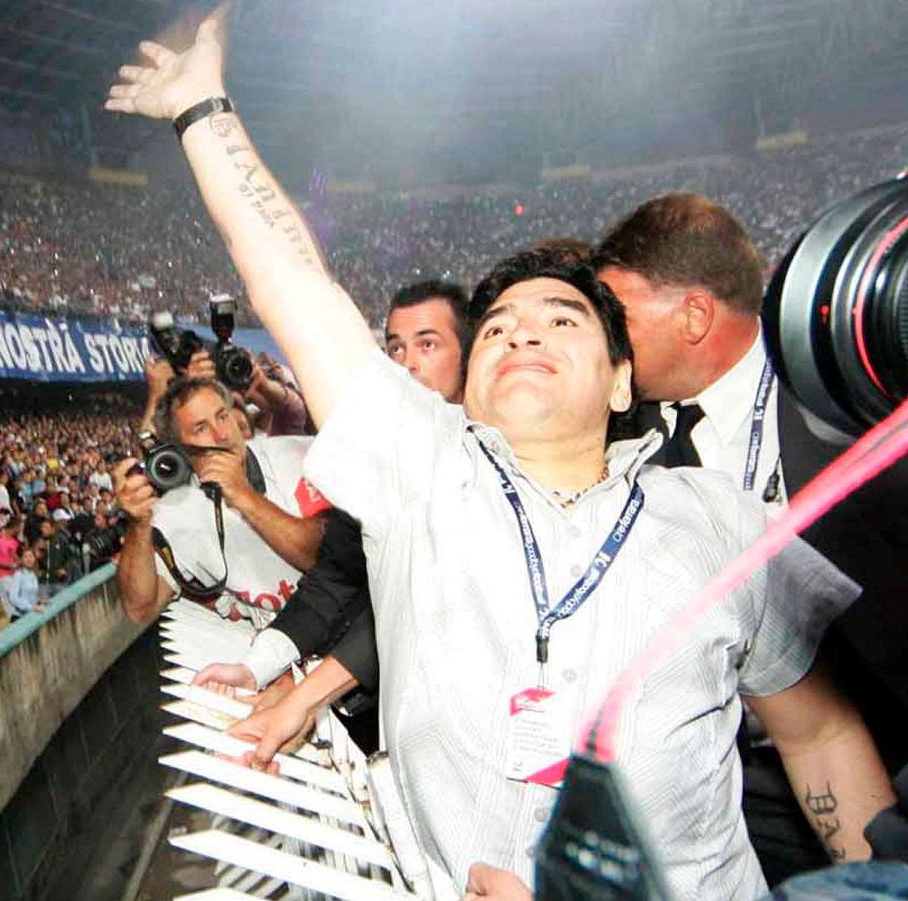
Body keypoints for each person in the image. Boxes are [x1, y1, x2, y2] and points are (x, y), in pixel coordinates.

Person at [105, 17, 891, 898]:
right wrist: (203, 110)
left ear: (623, 380)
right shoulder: (425, 478)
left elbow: (818, 733)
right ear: (470, 389)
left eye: (564, 320)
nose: (525, 331)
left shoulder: (721, 520)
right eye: (502, 329)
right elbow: (295, 285)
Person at [595, 193, 908, 884]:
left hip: (877, 755)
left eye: (617, 316)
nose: (604, 341)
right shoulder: (618, 427)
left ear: (695, 316)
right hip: (726, 785)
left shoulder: (852, 393)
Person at [193, 280, 469, 735]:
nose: (408, 364)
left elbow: (409, 602)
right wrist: (254, 668)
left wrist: (304, 696)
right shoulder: (375, 459)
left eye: (428, 344)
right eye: (396, 349)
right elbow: (333, 581)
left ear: (467, 354)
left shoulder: (496, 460)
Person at [111, 371, 323, 629]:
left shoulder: (298, 456)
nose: (221, 434)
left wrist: (243, 495)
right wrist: (139, 525)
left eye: (222, 416)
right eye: (201, 428)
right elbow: (138, 610)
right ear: (179, 449)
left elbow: (327, 559)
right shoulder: (176, 511)